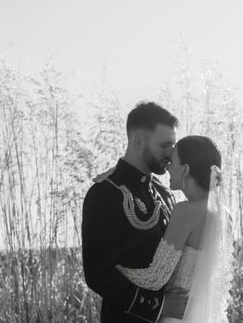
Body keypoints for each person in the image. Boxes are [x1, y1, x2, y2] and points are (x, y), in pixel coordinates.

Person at [116, 135, 235, 323]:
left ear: (185, 169)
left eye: (172, 161)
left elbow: (156, 276)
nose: (167, 167)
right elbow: (220, 282)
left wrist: (117, 269)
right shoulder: (225, 214)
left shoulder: (185, 211)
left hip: (177, 317)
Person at [82, 102, 178, 323]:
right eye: (165, 145)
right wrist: (158, 306)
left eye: (173, 146)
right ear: (137, 140)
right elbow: (99, 273)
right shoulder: (106, 193)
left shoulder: (165, 194)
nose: (171, 155)